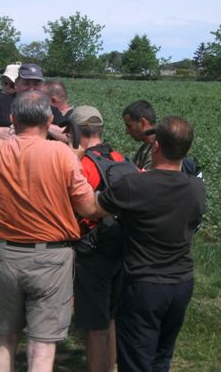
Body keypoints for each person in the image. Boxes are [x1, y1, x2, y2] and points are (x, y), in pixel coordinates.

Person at [0, 91, 105, 371]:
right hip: (51, 258)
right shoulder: (62, 155)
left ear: (13, 119)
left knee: (4, 337)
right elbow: (88, 207)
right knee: (42, 345)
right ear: (50, 120)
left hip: (6, 253)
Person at [96, 116, 205, 371]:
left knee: (135, 358)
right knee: (161, 356)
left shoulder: (135, 184)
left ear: (155, 147)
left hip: (144, 283)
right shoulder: (196, 188)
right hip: (181, 282)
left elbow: (93, 208)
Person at [71, 105, 127, 372]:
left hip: (93, 251)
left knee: (95, 324)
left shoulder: (82, 164)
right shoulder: (120, 158)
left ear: (75, 131)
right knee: (112, 316)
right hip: (123, 245)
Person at [0, 64, 66, 141]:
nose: (31, 89)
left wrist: (42, 126)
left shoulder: (49, 108)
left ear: (42, 86)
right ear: (16, 84)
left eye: (36, 84)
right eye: (26, 83)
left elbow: (68, 136)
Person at [122, 99, 158, 170]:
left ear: (142, 122)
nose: (127, 132)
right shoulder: (145, 146)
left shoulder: (163, 149)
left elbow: (150, 178)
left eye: (129, 126)